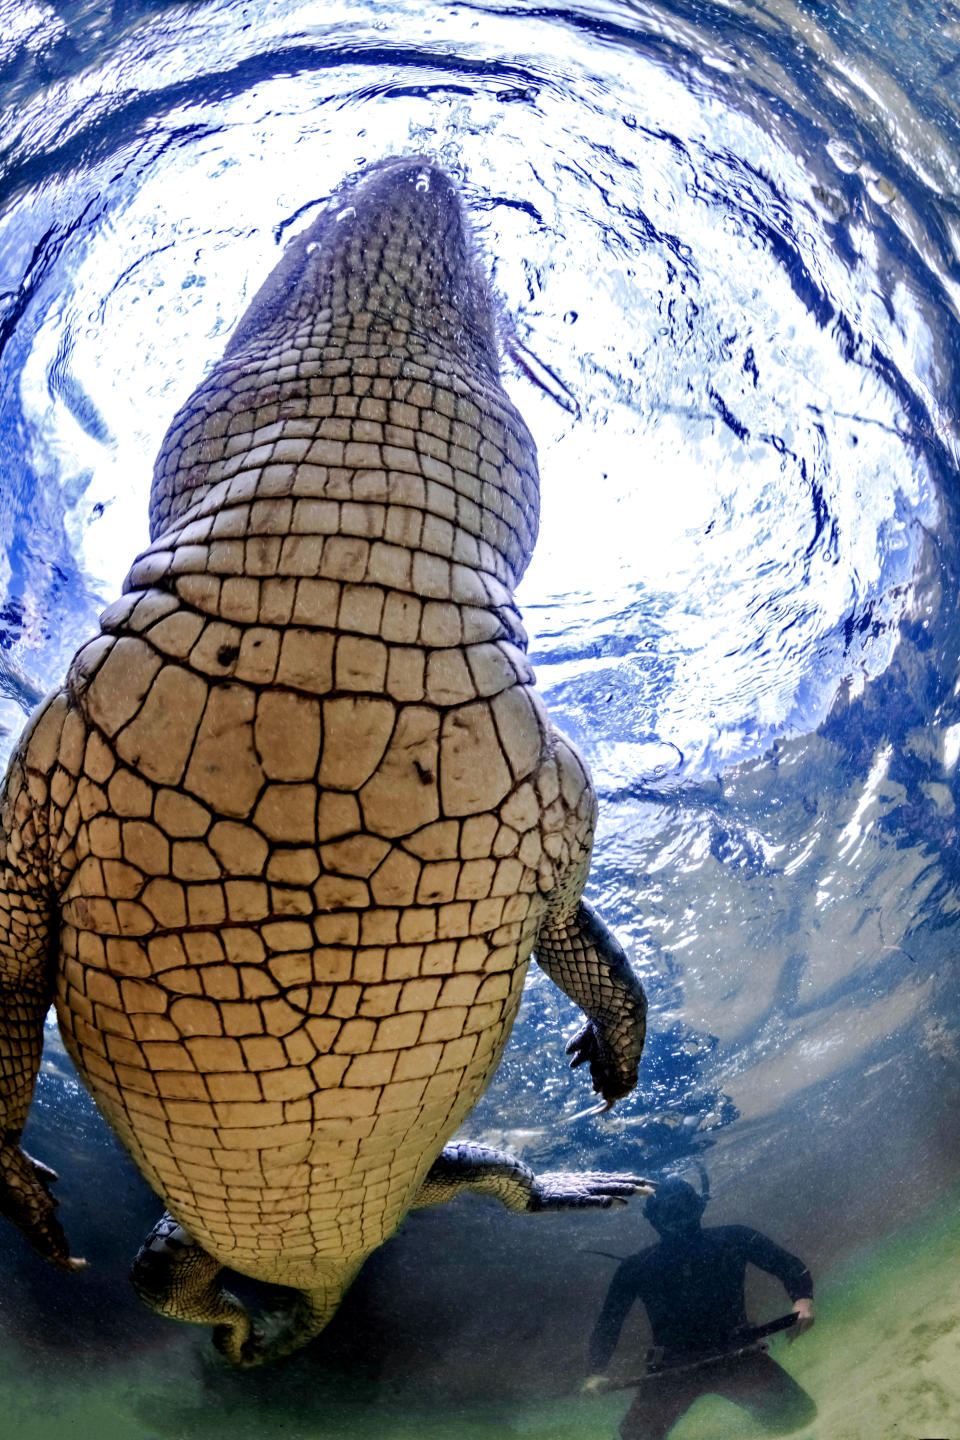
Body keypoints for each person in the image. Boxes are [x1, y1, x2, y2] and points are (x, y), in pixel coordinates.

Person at [583, 1178, 817, 1438]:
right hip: (674, 1368)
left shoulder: (733, 1239)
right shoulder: (636, 1268)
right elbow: (609, 1323)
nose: (678, 1219)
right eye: (670, 1212)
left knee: (799, 1417)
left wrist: (803, 1302)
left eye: (682, 1209)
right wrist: (596, 1370)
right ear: (653, 1219)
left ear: (697, 1208)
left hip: (734, 1354)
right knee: (637, 1436)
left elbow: (790, 1267)